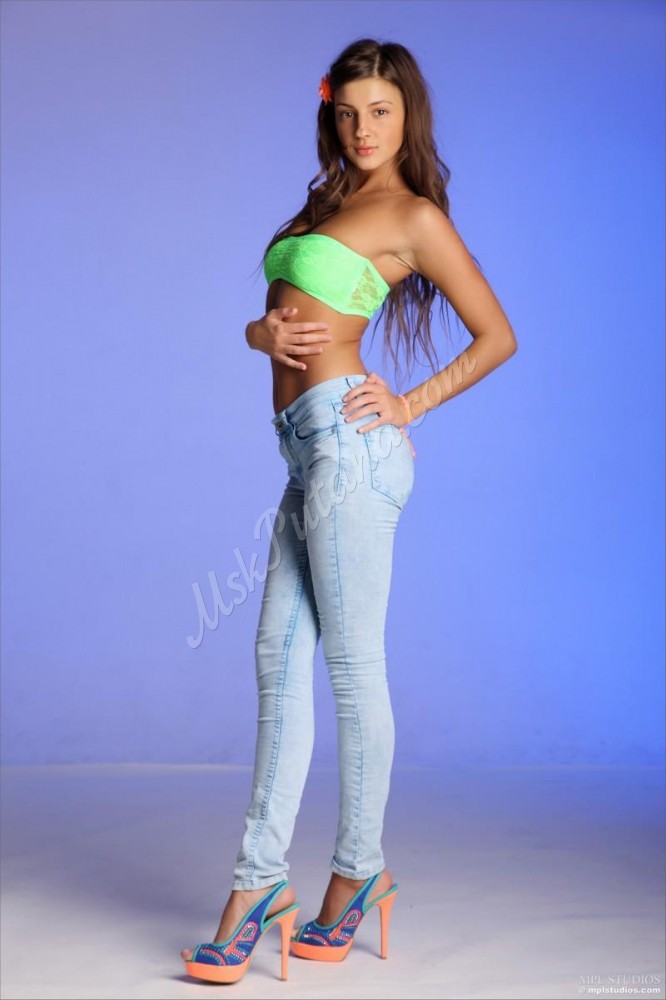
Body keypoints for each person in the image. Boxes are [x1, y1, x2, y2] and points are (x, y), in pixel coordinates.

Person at [182, 37, 517, 985]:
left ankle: (353, 873)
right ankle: (260, 884)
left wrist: (409, 403)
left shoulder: (413, 216)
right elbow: (274, 314)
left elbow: (497, 335)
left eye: (380, 112)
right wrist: (260, 334)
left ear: (408, 117)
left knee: (351, 669)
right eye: (348, 112)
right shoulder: (325, 205)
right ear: (331, 116)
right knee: (276, 666)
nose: (363, 129)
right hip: (303, 451)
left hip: (351, 446)